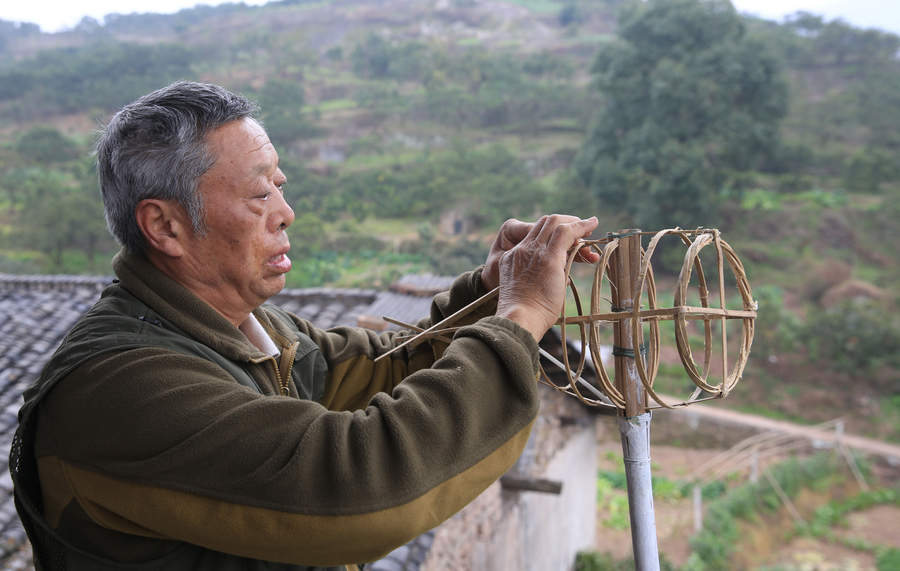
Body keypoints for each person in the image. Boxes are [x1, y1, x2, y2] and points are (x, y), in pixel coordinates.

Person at [11, 81, 599, 571]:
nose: (286, 213)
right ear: (164, 227)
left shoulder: (247, 329)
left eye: (281, 186)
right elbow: (359, 487)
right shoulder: (122, 388)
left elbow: (387, 369)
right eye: (259, 193)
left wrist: (489, 293)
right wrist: (522, 317)